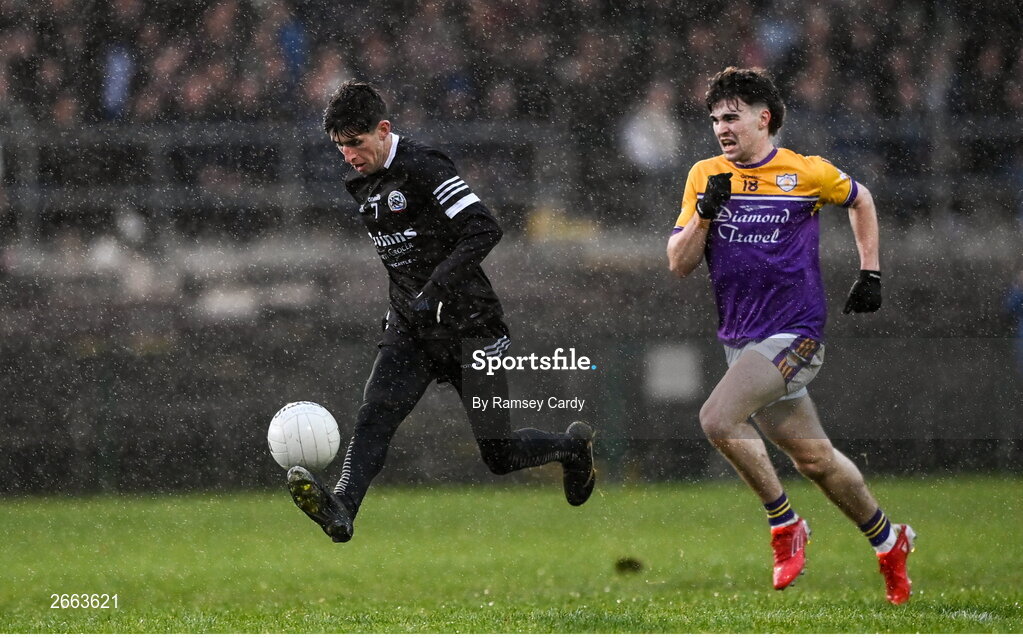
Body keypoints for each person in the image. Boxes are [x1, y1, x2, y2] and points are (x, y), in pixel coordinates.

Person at [286, 81, 596, 543]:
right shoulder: (357, 179)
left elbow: (484, 229)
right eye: (339, 147)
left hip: (471, 325)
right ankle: (341, 507)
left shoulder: (424, 167)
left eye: (355, 143)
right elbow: (401, 252)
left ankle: (572, 449)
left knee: (500, 454)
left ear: (383, 130)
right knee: (376, 414)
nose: (348, 156)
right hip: (411, 326)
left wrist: (436, 289)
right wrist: (409, 304)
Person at [666, 67, 915, 604]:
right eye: (714, 120)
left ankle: (784, 524)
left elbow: (862, 199)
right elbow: (679, 264)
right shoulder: (704, 175)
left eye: (731, 117)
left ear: (765, 118)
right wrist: (705, 216)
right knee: (815, 460)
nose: (721, 129)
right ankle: (889, 539)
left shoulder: (805, 173)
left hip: (796, 336)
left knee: (715, 417)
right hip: (742, 342)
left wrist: (870, 272)